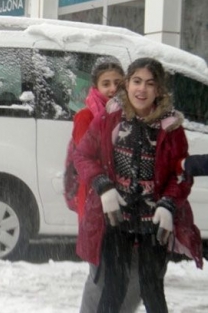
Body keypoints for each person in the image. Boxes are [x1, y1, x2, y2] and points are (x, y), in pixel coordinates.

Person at [74, 57, 203, 313]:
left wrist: (168, 204)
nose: (141, 89)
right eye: (136, 81)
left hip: (154, 222)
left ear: (159, 90)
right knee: (113, 287)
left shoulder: (171, 127)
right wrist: (103, 186)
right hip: (116, 217)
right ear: (127, 84)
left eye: (149, 83)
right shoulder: (110, 119)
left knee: (152, 290)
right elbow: (83, 155)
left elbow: (180, 174)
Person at [69, 58, 142, 313]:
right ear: (95, 86)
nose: (112, 88)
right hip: (94, 198)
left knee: (131, 270)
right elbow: (86, 158)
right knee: (100, 270)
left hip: (126, 203)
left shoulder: (133, 112)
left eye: (117, 83)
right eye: (105, 83)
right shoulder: (87, 117)